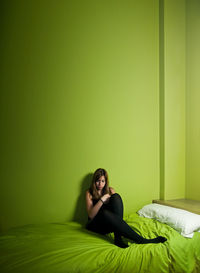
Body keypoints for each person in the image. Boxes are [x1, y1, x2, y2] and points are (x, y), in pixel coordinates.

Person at [85, 168, 167, 248]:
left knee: (116, 196)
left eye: (102, 181)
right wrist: (102, 200)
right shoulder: (89, 193)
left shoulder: (109, 190)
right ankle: (142, 240)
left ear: (106, 182)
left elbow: (116, 209)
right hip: (95, 225)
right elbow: (91, 215)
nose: (100, 184)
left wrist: (110, 197)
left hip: (108, 224)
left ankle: (118, 237)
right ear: (94, 181)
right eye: (98, 181)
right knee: (104, 213)